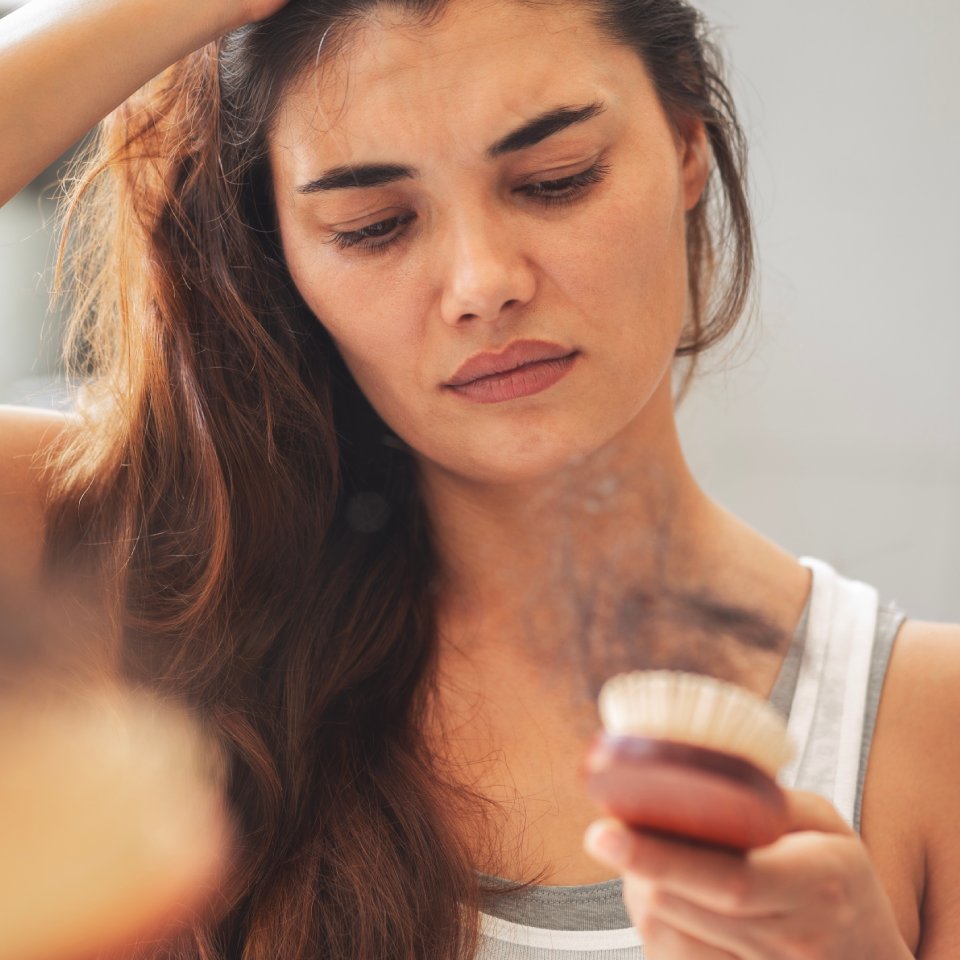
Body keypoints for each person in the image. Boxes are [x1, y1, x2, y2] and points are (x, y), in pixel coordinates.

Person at [0, 0, 958, 958]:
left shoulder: (927, 729)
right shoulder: (129, 563)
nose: (482, 283)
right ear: (281, 251)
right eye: (372, 226)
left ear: (686, 147)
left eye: (556, 180)